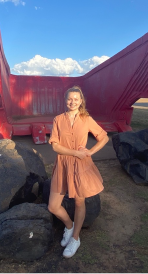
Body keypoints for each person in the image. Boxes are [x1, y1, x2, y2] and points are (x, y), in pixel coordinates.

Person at [48, 85, 109, 258]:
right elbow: (55, 146)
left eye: (76, 99)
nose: (72, 102)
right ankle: (69, 226)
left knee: (79, 203)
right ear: (65, 100)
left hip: (81, 166)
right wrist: (76, 152)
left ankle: (75, 238)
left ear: (81, 101)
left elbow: (103, 137)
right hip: (62, 164)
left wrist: (90, 152)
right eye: (69, 99)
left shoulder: (86, 118)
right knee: (53, 206)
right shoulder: (58, 119)